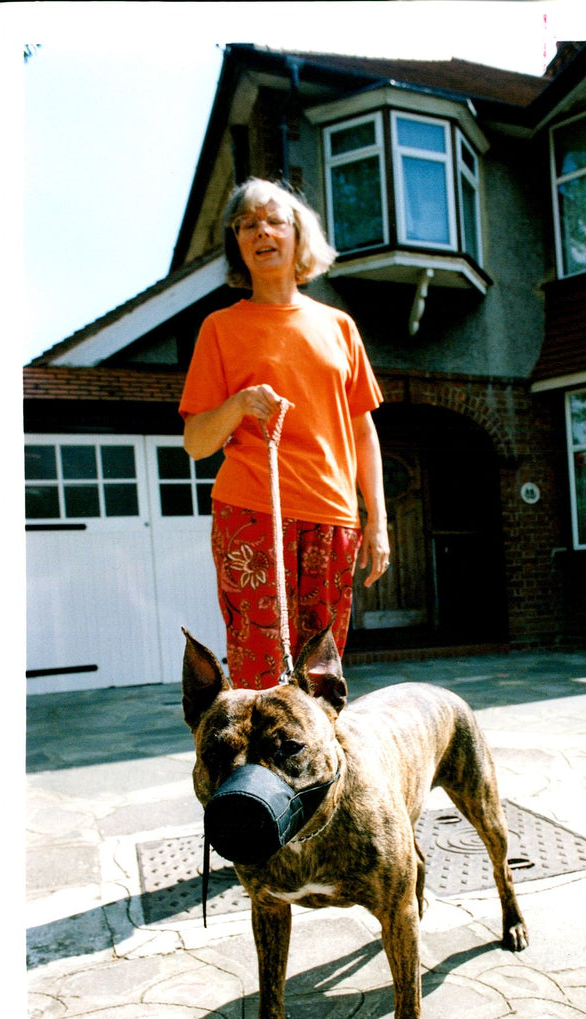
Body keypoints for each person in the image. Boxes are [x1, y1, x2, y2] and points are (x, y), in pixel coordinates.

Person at [180, 177, 390, 689]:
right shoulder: (220, 328)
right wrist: (239, 404)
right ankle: (257, 771)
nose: (261, 232)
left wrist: (378, 522)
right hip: (252, 513)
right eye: (246, 224)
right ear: (237, 242)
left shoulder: (338, 327)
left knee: (320, 675)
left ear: (299, 236)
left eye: (274, 220)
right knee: (258, 670)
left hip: (333, 516)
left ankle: (318, 770)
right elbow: (196, 442)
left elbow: (363, 431)